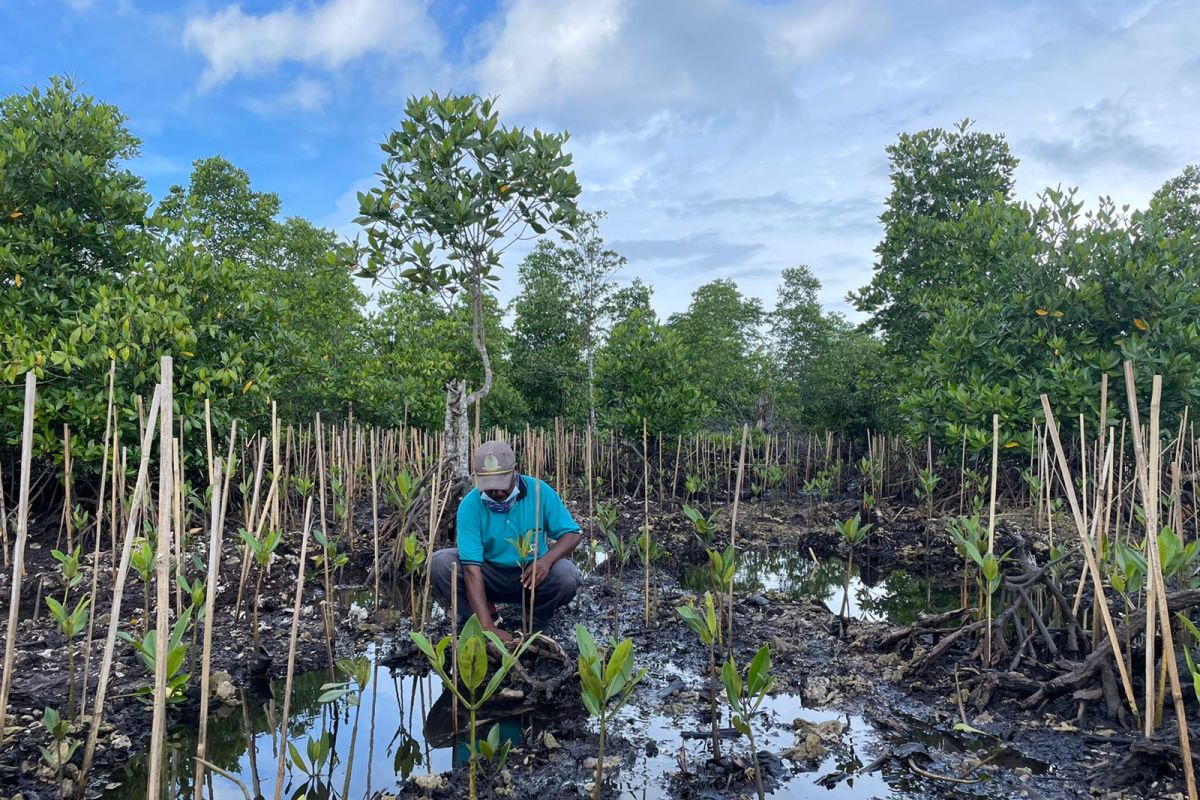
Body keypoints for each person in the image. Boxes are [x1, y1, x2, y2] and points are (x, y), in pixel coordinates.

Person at [429, 440, 582, 643]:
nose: (497, 493)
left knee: (567, 575)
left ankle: (535, 623)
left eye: (502, 485)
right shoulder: (470, 505)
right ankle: (479, 619)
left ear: (515, 471)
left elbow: (573, 533)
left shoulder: (540, 492)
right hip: (489, 576)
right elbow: (471, 569)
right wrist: (487, 627)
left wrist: (546, 561)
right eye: (490, 488)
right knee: (440, 564)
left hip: (531, 576)